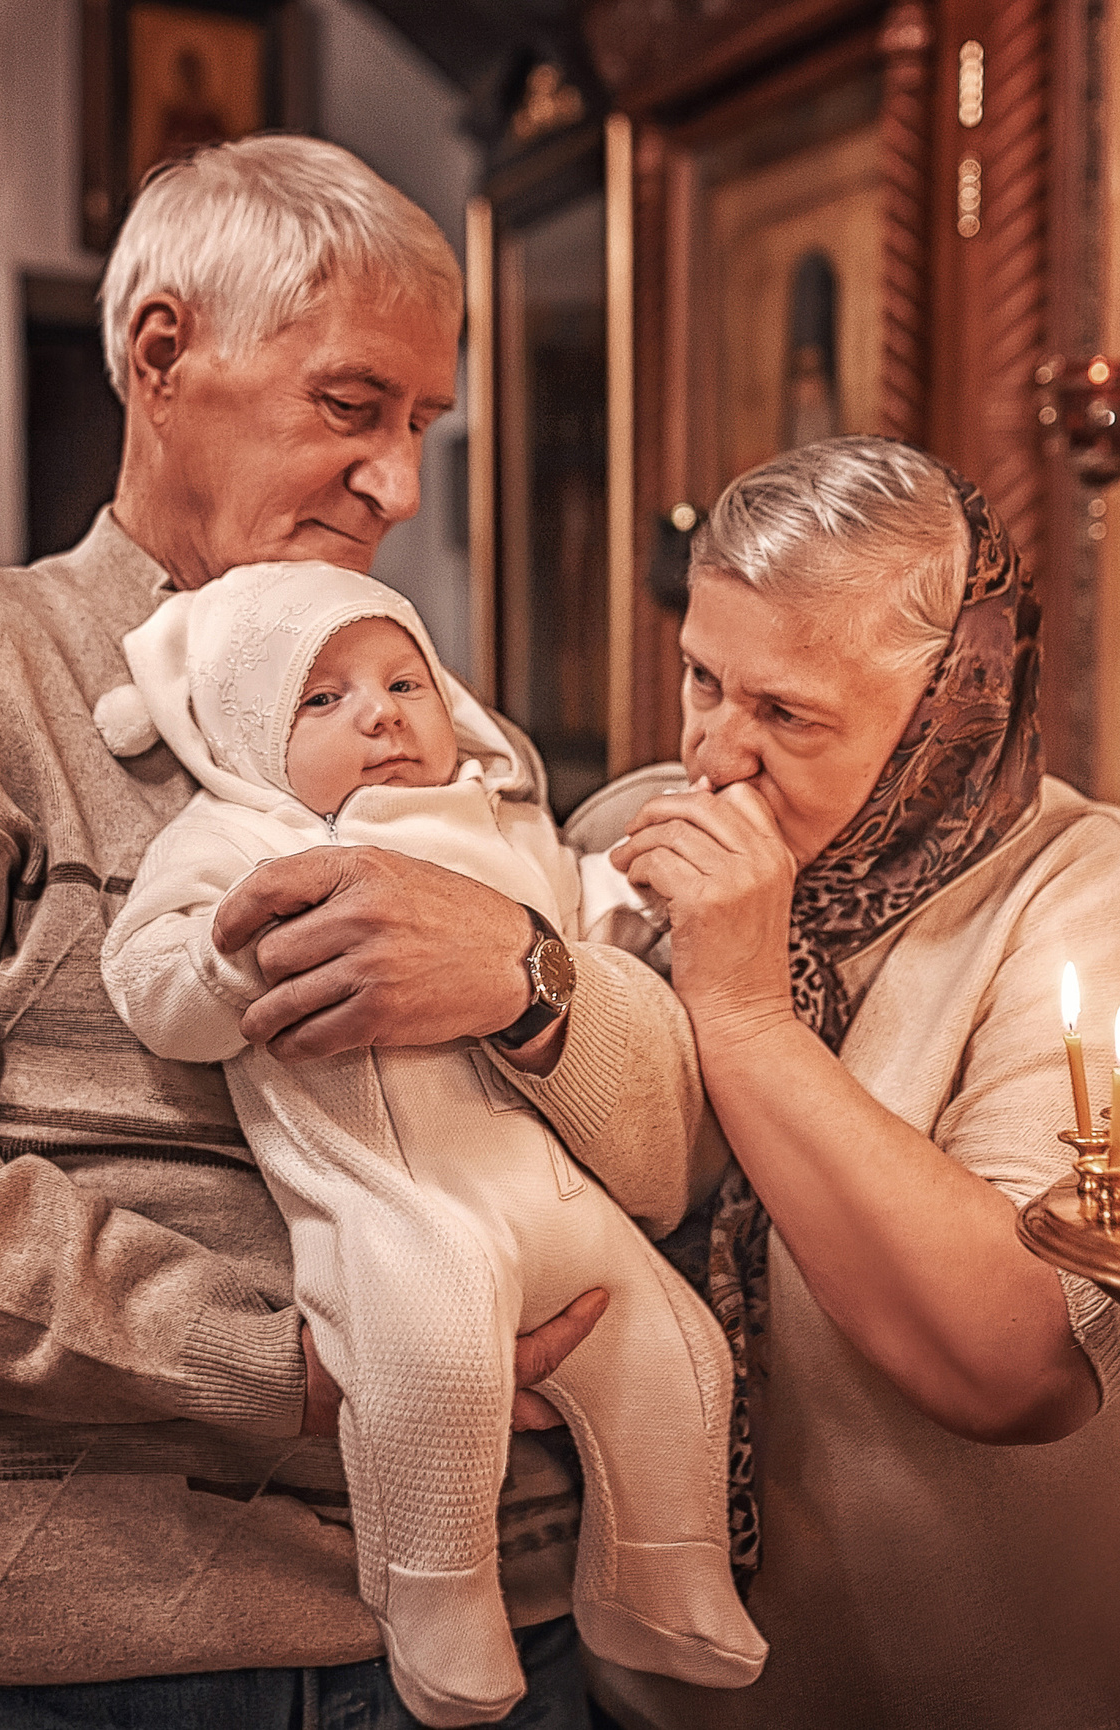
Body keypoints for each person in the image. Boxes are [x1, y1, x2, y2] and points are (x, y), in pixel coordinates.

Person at [0, 136, 714, 1728]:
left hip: (518, 1618)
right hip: (90, 1647)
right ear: (161, 355)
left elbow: (656, 1158)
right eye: (351, 405)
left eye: (423, 424)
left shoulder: (447, 725)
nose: (400, 480)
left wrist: (526, 980)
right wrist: (295, 1368)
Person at [600, 437, 1120, 1730]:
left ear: (957, 703)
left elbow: (1020, 1360)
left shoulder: (1092, 883)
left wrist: (739, 1008)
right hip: (663, 1698)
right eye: (701, 678)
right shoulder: (622, 836)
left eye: (786, 713)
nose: (715, 754)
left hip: (1033, 1693)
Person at [94, 560, 763, 1725]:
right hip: (394, 1201)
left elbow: (580, 928)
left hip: (547, 1188)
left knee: (676, 1346)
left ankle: (665, 1575)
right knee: (436, 1341)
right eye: (322, 698)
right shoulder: (238, 838)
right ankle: (435, 1593)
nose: (382, 712)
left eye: (405, 679)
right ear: (249, 733)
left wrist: (632, 896)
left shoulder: (497, 821)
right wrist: (222, 956)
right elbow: (148, 977)